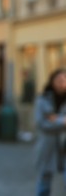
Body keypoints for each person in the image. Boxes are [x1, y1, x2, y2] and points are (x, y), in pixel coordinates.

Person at [35, 68, 66, 196]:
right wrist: (62, 121)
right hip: (47, 146)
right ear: (52, 81)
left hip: (64, 145)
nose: (62, 83)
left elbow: (48, 122)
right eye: (59, 80)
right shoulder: (42, 100)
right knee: (44, 182)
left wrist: (53, 119)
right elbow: (41, 123)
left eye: (65, 80)